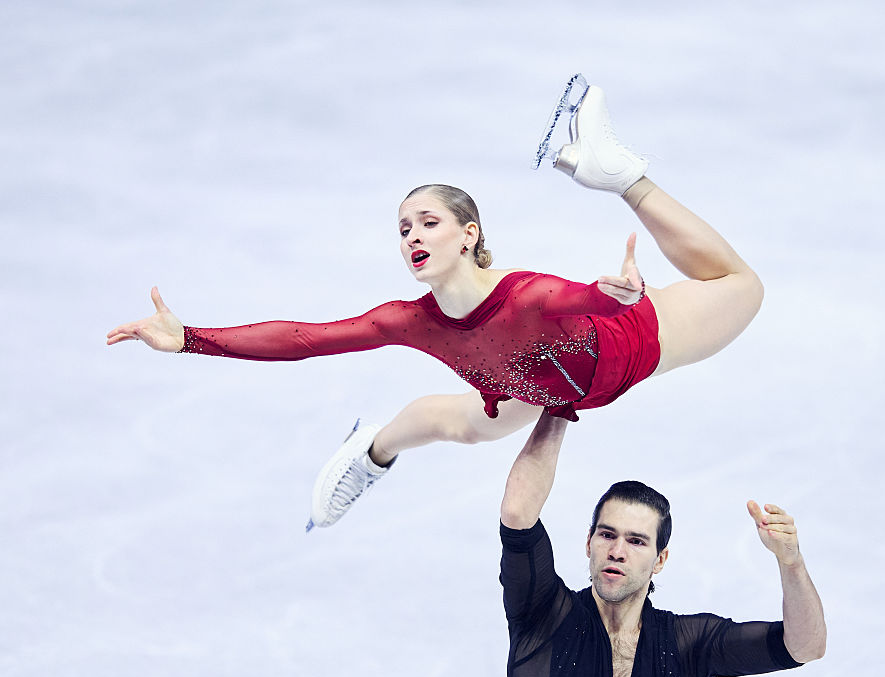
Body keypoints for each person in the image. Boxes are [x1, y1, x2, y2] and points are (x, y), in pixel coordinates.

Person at [106, 76, 764, 529]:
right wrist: (190, 339)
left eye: (428, 222)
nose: (413, 236)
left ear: (468, 234)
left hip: (629, 350)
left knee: (742, 286)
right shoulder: (410, 322)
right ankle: (373, 450)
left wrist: (617, 296)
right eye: (403, 229)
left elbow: (583, 299)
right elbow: (305, 338)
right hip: (534, 381)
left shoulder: (526, 296)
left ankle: (622, 176)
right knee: (463, 427)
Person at [499, 413, 826, 677]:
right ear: (589, 542)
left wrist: (791, 564)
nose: (617, 551)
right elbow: (517, 513)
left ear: (660, 559)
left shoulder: (683, 645)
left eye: (636, 541)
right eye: (607, 535)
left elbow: (805, 646)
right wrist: (560, 407)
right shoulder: (543, 615)